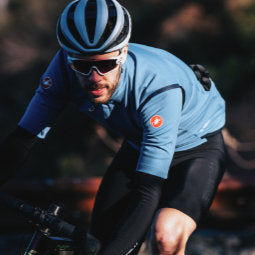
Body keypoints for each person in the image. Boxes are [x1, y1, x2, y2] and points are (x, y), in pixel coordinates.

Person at [0, 0, 226, 254]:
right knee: (101, 243)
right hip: (139, 145)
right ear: (68, 57)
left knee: (166, 236)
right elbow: (23, 139)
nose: (94, 77)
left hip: (195, 149)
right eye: (83, 66)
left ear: (124, 53)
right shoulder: (63, 69)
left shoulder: (157, 88)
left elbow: (148, 189)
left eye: (106, 64)